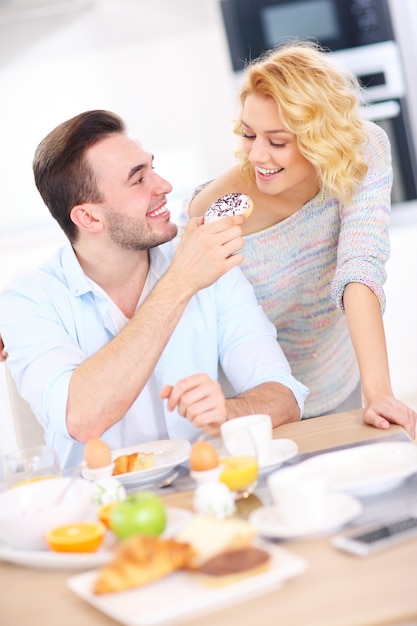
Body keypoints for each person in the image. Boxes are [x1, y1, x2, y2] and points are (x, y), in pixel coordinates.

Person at [0, 110, 308, 469]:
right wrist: (180, 282)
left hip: (208, 490)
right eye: (138, 179)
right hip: (100, 512)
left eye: (152, 168)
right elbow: (81, 417)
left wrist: (230, 411)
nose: (162, 185)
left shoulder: (207, 261)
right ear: (89, 218)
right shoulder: (28, 301)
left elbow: (284, 394)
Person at [181, 40, 416, 439]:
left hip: (339, 377)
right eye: (248, 134)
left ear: (319, 140)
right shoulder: (218, 207)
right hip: (260, 401)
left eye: (277, 142)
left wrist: (378, 393)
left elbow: (360, 265)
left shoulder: (363, 152)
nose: (256, 156)